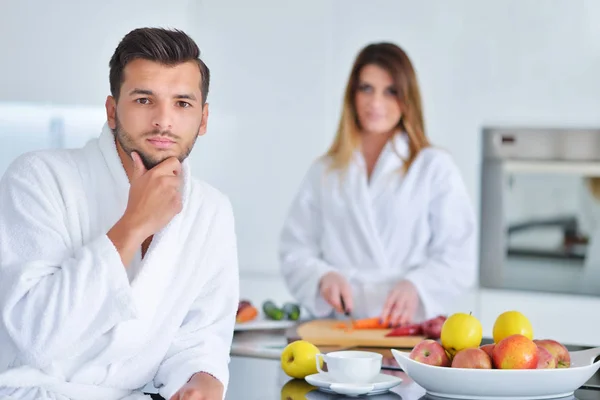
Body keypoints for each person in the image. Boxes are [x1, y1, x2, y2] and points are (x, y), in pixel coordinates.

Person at [0, 28, 238, 400]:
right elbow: (36, 336)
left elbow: (201, 334)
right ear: (113, 111)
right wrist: (133, 224)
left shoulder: (211, 210)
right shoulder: (38, 178)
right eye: (144, 100)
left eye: (182, 103)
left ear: (203, 119)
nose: (163, 121)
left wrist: (203, 380)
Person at [279, 42, 477, 327]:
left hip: (410, 331)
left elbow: (459, 255)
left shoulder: (434, 166)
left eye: (390, 91)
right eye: (366, 88)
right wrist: (321, 277)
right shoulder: (325, 170)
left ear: (407, 98)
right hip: (340, 331)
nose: (375, 103)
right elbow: (295, 248)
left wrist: (417, 285)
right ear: (352, 94)